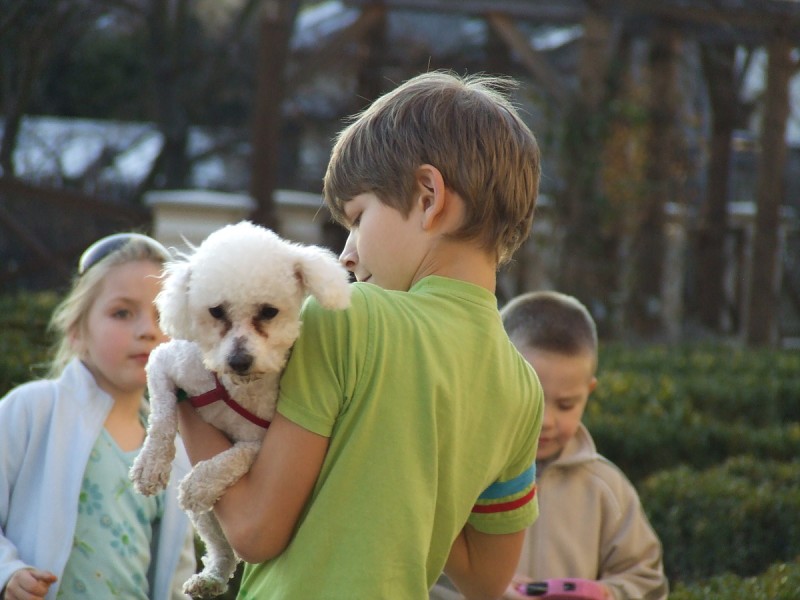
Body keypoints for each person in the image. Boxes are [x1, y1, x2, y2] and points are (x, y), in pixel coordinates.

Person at [175, 70, 545, 599]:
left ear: (427, 195)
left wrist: (186, 384)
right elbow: (486, 580)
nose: (347, 254)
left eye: (358, 217)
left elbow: (255, 530)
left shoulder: (349, 317)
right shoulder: (523, 387)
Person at [0, 233, 197, 600]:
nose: (147, 330)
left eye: (161, 315)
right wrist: (8, 573)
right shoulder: (31, 409)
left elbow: (177, 575)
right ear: (76, 331)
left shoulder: (175, 450)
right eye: (122, 312)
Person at [499, 291, 668, 600]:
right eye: (530, 400)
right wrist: (484, 587)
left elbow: (647, 580)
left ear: (588, 392)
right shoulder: (461, 476)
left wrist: (606, 594)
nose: (546, 421)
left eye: (565, 405)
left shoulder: (607, 488)